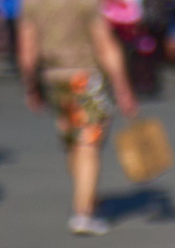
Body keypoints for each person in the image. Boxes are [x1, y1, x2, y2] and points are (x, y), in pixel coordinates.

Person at [18, 0, 138, 236]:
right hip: (85, 76)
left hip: (54, 77)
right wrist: (123, 87)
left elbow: (27, 51)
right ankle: (84, 211)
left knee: (72, 140)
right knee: (89, 142)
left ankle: (87, 196)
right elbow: (105, 46)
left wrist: (31, 87)